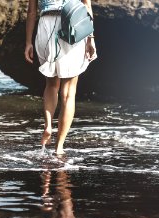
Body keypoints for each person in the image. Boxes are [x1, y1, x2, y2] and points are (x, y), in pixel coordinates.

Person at [25, 0, 97, 155]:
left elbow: (31, 12)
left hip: (46, 26)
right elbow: (86, 6)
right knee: (68, 93)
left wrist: (28, 43)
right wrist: (90, 38)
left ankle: (48, 125)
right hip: (73, 23)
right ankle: (59, 147)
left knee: (51, 84)